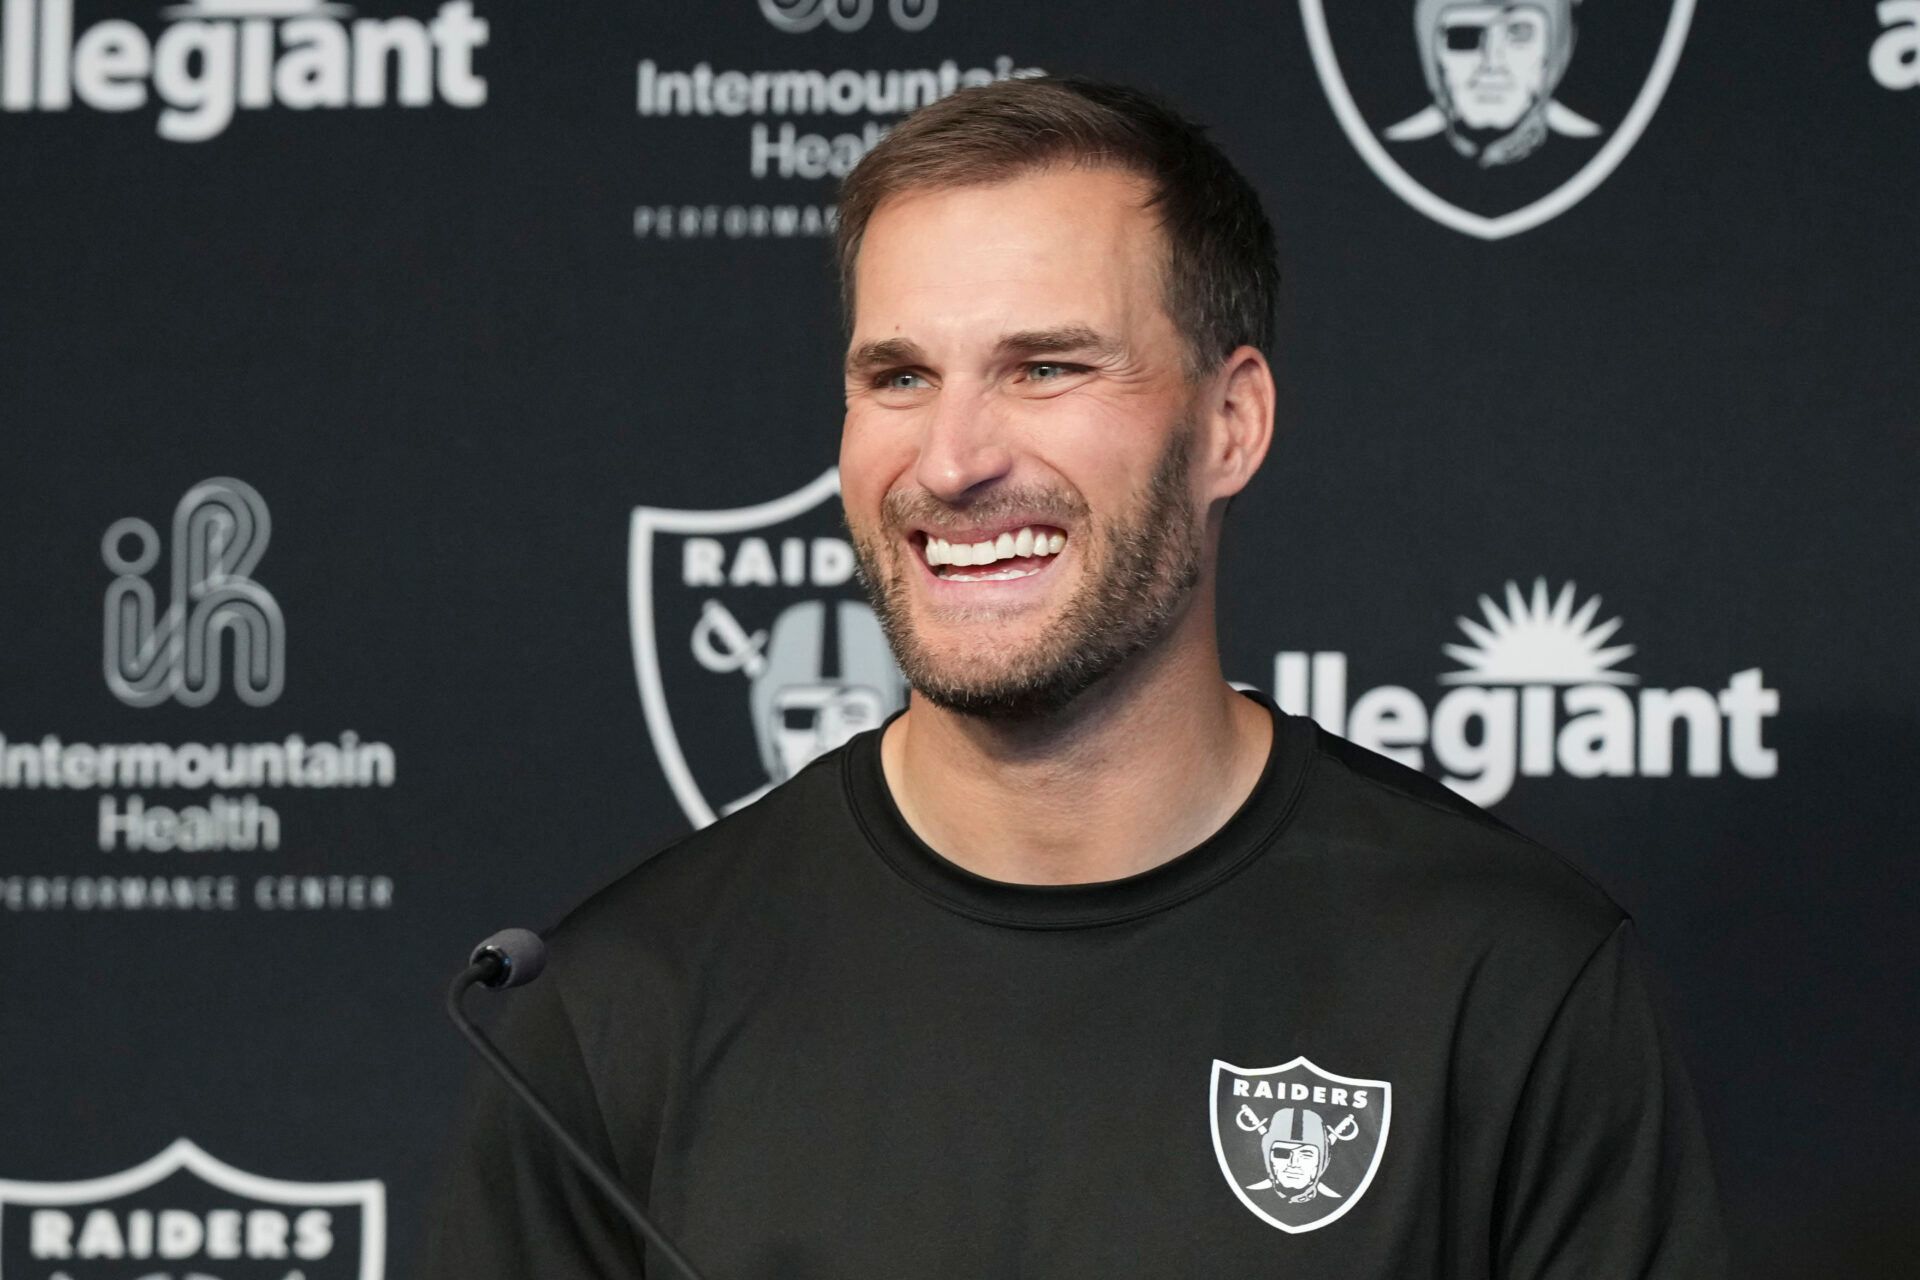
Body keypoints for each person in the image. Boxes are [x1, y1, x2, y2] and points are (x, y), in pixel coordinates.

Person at [421, 76, 1729, 1278]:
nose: (951, 459)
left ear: (1231, 424)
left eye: (1046, 367)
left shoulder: (1506, 983)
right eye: (899, 376)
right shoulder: (606, 1022)